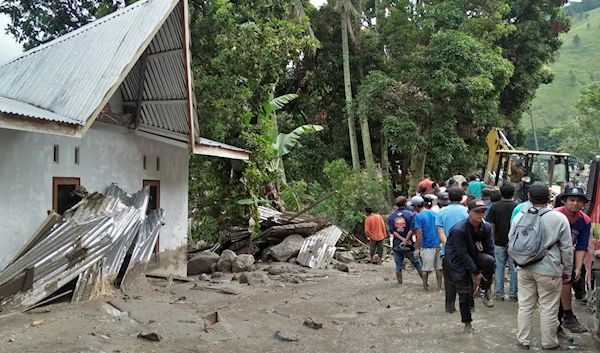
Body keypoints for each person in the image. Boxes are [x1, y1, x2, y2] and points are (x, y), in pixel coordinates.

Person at [511, 184, 573, 350]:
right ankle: (549, 343)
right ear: (549, 199)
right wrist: (568, 271)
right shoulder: (559, 218)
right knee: (548, 309)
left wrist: (519, 263)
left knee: (524, 307)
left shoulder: (519, 217)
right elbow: (567, 248)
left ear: (529, 198)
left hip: (524, 268)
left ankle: (523, 341)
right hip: (549, 270)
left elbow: (512, 241)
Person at [445, 200, 496, 333]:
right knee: (464, 293)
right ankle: (467, 323)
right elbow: (462, 254)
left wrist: (490, 271)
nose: (481, 215)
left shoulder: (486, 227)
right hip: (457, 260)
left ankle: (484, 291)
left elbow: (490, 249)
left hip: (474, 255)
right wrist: (476, 272)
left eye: (483, 212)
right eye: (477, 212)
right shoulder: (458, 230)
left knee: (490, 260)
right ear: (469, 213)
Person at [554, 187, 591, 335]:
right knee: (553, 293)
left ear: (583, 204)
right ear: (565, 201)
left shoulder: (585, 221)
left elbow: (582, 246)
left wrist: (577, 268)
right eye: (572, 200)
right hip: (550, 256)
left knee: (568, 281)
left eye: (579, 201)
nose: (575, 204)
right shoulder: (555, 215)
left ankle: (564, 319)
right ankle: (559, 323)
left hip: (568, 256)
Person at [436, 187, 469, 313]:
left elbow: (440, 232)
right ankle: (467, 306)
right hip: (464, 252)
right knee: (465, 280)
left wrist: (450, 245)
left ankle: (450, 307)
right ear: (461, 198)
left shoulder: (441, 212)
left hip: (447, 252)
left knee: (449, 281)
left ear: (448, 198)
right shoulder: (467, 211)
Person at [487, 183, 518, 301]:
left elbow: (492, 226)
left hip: (499, 242)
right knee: (513, 269)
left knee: (499, 268)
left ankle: (499, 294)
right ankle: (513, 294)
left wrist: (493, 239)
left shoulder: (495, 206)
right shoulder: (517, 207)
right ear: (513, 192)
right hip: (514, 243)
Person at [388, 196, 423, 284]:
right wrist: (406, 240)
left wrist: (401, 239)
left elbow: (392, 231)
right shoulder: (411, 215)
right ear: (405, 204)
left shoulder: (391, 217)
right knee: (418, 264)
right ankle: (425, 283)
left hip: (396, 244)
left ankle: (400, 283)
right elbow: (412, 229)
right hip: (409, 245)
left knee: (398, 266)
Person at [414, 196, 442, 291]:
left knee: (425, 268)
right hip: (438, 243)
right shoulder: (435, 213)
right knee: (439, 268)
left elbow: (419, 233)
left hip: (427, 245)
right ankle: (439, 288)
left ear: (416, 206)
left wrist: (417, 248)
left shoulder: (418, 216)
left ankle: (425, 288)